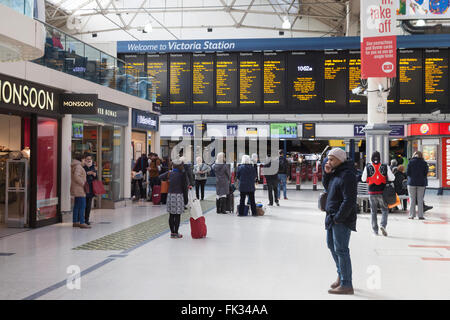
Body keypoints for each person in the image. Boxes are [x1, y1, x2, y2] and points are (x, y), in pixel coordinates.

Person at [322, 148, 357, 295]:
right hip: (332, 216)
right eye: (328, 159)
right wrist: (326, 173)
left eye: (332, 159)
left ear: (340, 160)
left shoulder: (347, 175)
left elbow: (349, 200)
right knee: (331, 245)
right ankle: (341, 274)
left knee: (341, 250)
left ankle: (346, 283)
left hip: (341, 219)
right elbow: (327, 188)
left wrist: (338, 218)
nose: (329, 161)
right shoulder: (336, 172)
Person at [361, 151, 395, 236]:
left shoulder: (367, 167)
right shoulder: (385, 166)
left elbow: (363, 179)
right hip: (382, 192)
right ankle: (383, 225)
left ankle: (375, 231)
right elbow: (392, 178)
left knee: (373, 211)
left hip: (372, 192)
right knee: (384, 210)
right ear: (380, 158)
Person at [159, 159, 188, 239]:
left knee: (171, 215)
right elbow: (184, 187)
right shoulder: (182, 174)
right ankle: (176, 232)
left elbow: (160, 177)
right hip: (179, 196)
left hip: (170, 195)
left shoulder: (170, 173)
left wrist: (167, 180)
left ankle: (172, 233)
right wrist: (186, 200)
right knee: (177, 215)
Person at [406, 151, 429, 220]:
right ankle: (420, 215)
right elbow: (426, 173)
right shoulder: (424, 163)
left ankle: (411, 215)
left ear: (414, 155)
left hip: (411, 183)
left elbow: (407, 173)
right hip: (421, 183)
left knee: (412, 199)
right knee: (420, 199)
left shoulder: (410, 162)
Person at [70, 153, 90, 229]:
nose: (85, 161)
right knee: (82, 206)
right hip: (80, 189)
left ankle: (75, 221)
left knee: (77, 206)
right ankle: (82, 222)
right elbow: (76, 176)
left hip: (76, 188)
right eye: (84, 160)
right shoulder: (78, 166)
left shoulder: (75, 165)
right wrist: (83, 183)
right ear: (81, 159)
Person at [83, 154, 97, 225]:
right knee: (83, 204)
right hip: (84, 188)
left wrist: (94, 174)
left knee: (88, 205)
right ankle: (82, 219)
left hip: (91, 189)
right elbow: (81, 175)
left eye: (90, 159)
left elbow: (95, 177)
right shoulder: (83, 167)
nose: (89, 160)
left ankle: (87, 219)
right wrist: (87, 173)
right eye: (87, 159)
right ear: (85, 160)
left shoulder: (93, 167)